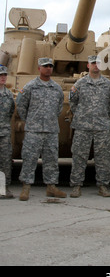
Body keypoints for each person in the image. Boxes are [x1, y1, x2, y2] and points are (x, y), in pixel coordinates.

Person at [17, 58, 66, 201]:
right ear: (39, 68)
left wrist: (49, 120)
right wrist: (31, 120)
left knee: (51, 160)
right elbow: (21, 105)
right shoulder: (30, 87)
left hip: (51, 130)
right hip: (34, 130)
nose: (48, 68)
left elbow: (59, 108)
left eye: (50, 66)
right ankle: (26, 188)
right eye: (45, 66)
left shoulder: (56, 88)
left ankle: (51, 187)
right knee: (30, 159)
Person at [69, 55, 110, 198]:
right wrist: (82, 116)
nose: (96, 65)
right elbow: (73, 103)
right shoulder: (80, 84)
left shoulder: (107, 84)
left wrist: (101, 116)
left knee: (103, 158)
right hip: (83, 126)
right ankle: (76, 186)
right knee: (79, 157)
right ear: (88, 65)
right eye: (93, 63)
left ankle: (103, 186)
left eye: (98, 63)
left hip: (101, 126)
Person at [0, 66, 15, 199]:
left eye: (4, 75)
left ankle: (4, 187)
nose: (3, 77)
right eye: (0, 75)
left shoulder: (9, 94)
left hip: (4, 132)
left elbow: (11, 112)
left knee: (5, 160)